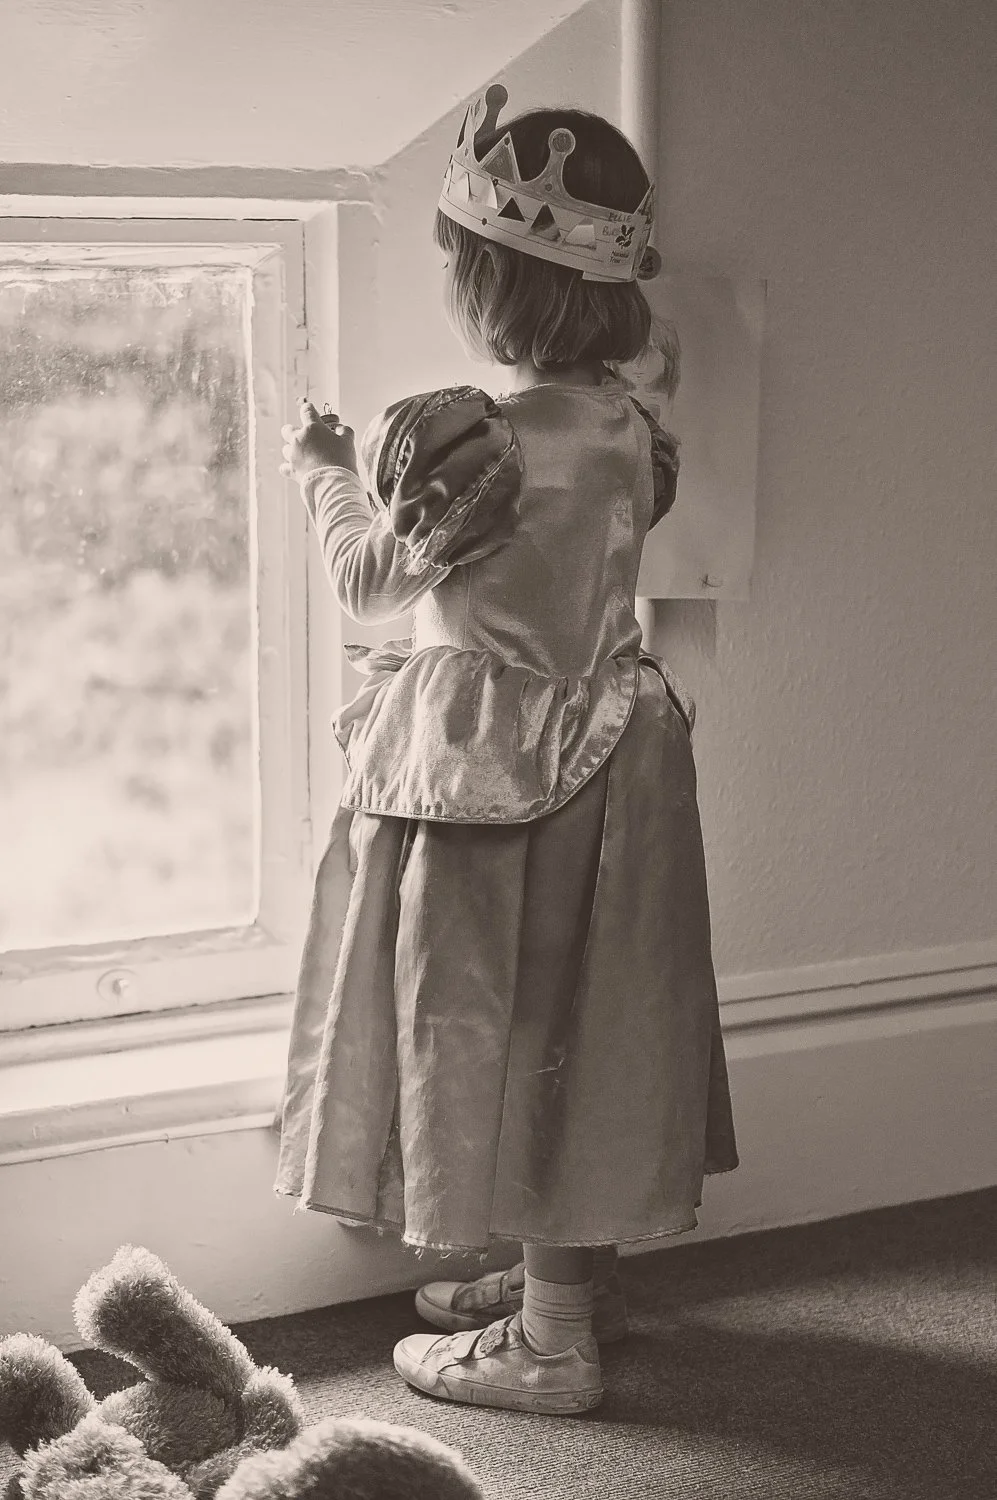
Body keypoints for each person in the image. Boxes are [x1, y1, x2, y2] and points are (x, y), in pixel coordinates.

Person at [275, 83, 738, 1417]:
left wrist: (324, 469)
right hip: (624, 749)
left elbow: (372, 581)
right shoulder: (626, 426)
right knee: (587, 1025)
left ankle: (551, 1347)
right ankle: (563, 1284)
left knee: (501, 1016)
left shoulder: (468, 440)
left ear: (486, 287)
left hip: (500, 777)